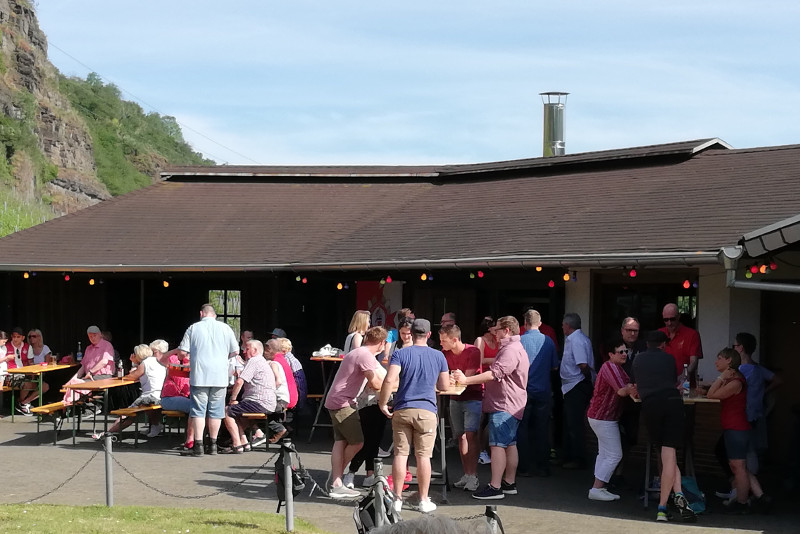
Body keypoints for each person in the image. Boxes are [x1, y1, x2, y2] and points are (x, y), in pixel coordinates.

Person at [453, 316, 529, 500]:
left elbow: (495, 374)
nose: (494, 333)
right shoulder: (516, 347)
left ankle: (495, 487)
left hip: (504, 404)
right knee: (510, 444)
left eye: (497, 330)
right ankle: (509, 483)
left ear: (507, 331)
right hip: (512, 403)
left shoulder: (510, 350)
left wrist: (466, 380)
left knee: (497, 446)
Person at [379, 318, 450, 514]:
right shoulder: (439, 356)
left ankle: (397, 499)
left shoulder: (400, 354)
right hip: (427, 410)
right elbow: (444, 386)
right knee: (424, 457)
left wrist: (383, 403)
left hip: (403, 408)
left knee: (400, 454)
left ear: (411, 332)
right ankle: (423, 500)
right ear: (428, 334)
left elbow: (389, 379)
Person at [631, 330, 696, 523]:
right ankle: (669, 502)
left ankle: (668, 503)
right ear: (663, 345)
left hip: (651, 406)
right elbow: (675, 381)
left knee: (664, 455)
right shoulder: (669, 359)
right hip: (672, 403)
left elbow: (638, 386)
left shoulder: (637, 360)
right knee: (670, 455)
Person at [706, 347, 771, 514]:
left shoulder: (735, 381)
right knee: (741, 466)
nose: (716, 361)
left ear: (729, 361)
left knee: (737, 467)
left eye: (719, 358)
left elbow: (712, 395)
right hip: (738, 428)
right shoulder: (734, 379)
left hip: (736, 429)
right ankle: (761, 496)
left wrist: (721, 377)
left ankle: (742, 503)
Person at [325, 326, 387, 498]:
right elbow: (375, 383)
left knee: (341, 441)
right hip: (343, 402)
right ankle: (336, 479)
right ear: (382, 343)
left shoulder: (359, 352)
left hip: (337, 400)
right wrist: (393, 387)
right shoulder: (365, 355)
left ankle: (336, 482)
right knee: (358, 442)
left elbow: (378, 377)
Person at [173, 304, 239, 457]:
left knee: (198, 411)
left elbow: (183, 351)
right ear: (214, 315)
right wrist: (222, 358)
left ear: (201, 313)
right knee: (216, 411)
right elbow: (235, 351)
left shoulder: (193, 328)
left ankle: (198, 445)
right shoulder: (226, 328)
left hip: (199, 375)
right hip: (220, 376)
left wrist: (186, 357)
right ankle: (213, 445)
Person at [586, 336, 634, 501]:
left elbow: (628, 387)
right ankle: (597, 488)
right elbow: (622, 391)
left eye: (626, 351)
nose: (624, 354)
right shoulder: (610, 367)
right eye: (620, 352)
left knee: (605, 453)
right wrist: (631, 388)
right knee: (615, 454)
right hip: (603, 417)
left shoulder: (618, 368)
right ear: (610, 354)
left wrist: (631, 388)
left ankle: (598, 487)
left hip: (603, 417)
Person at [517, 309, 560, 477]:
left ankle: (524, 467)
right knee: (542, 428)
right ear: (540, 323)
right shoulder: (548, 341)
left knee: (522, 428)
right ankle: (543, 466)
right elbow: (555, 366)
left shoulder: (520, 341)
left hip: (524, 390)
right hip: (543, 389)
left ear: (525, 323)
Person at [440, 324, 483, 492]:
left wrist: (454, 377)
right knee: (460, 436)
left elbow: (468, 377)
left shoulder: (473, 351)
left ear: (454, 340)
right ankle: (467, 474)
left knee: (471, 434)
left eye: (444, 340)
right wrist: (454, 377)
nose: (441, 343)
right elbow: (446, 376)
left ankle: (473, 475)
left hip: (473, 397)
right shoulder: (444, 353)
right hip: (454, 397)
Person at [98, 344, 166, 440]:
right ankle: (154, 426)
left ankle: (108, 433)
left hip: (150, 396)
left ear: (138, 354)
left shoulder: (144, 364)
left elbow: (132, 376)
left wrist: (133, 365)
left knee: (127, 415)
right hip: (161, 394)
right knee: (148, 407)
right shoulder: (157, 362)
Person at [221, 339, 277, 453]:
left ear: (255, 350)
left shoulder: (254, 361)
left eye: (247, 349)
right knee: (237, 412)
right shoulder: (261, 361)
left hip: (260, 402)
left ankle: (237, 444)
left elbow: (239, 382)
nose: (244, 351)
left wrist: (233, 399)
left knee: (226, 411)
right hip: (267, 402)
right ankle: (245, 441)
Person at [559, 312, 594, 469]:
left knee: (575, 424)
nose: (562, 327)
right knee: (570, 422)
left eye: (563, 324)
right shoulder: (575, 339)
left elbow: (583, 365)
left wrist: (585, 380)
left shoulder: (577, 340)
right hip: (571, 385)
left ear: (568, 325)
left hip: (577, 384)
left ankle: (578, 458)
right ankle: (568, 455)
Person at [153, 339, 192, 445]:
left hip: (186, 397)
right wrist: (176, 350)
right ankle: (191, 439)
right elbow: (161, 359)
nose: (186, 354)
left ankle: (199, 438)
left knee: (201, 407)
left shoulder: (195, 363)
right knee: (196, 408)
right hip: (169, 398)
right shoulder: (173, 359)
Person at [264, 338, 297, 442]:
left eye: (264, 350)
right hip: (291, 396)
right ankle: (286, 428)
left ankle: (280, 429)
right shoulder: (282, 359)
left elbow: (277, 381)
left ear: (269, 349)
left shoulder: (274, 362)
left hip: (283, 399)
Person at [659, 303, 703, 377]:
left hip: (685, 383)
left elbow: (694, 361)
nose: (669, 323)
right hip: (663, 381)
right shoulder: (659, 333)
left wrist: (684, 375)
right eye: (666, 320)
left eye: (672, 319)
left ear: (679, 316)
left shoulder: (692, 334)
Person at [16, 329, 52, 409]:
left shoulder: (45, 348)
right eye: (30, 336)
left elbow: (48, 364)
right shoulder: (27, 348)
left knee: (45, 387)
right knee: (27, 383)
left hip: (40, 374)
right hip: (28, 374)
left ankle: (23, 403)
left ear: (39, 337)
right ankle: (21, 403)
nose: (31, 338)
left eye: (34, 336)